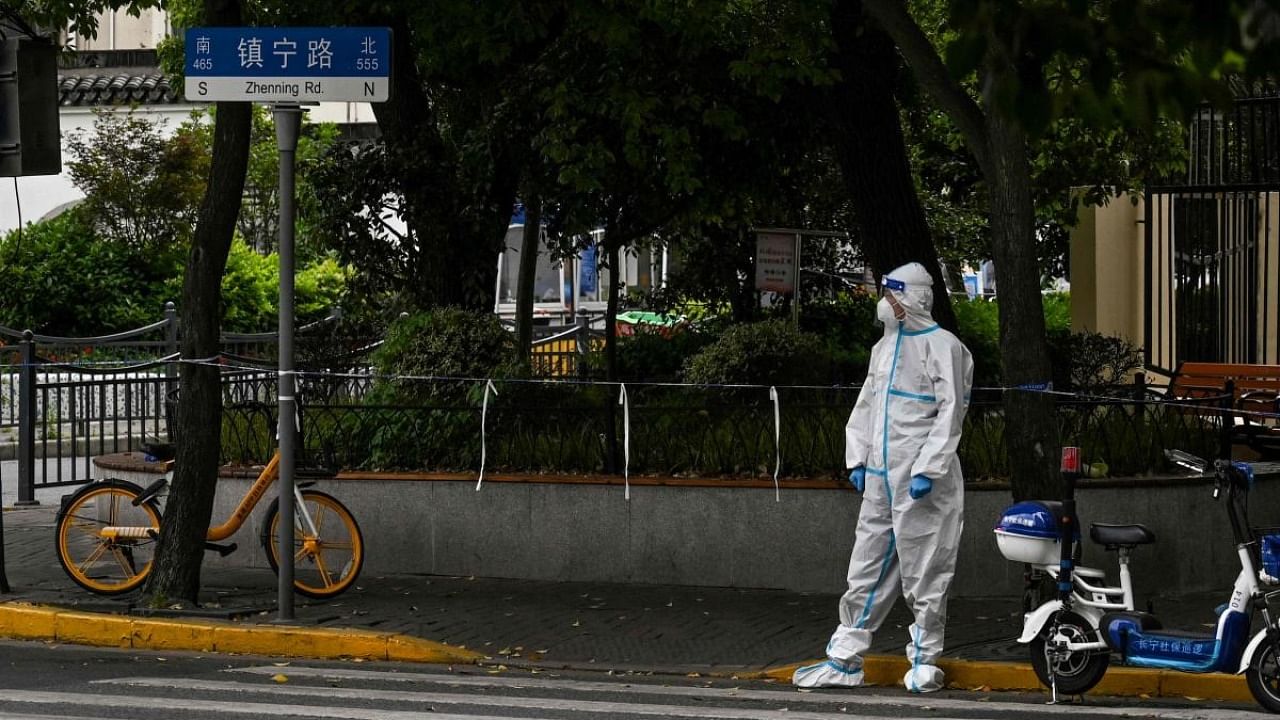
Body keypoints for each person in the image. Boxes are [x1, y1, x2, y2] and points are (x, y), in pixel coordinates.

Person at [793, 261, 974, 693]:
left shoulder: (943, 346)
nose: (885, 304)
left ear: (912, 298)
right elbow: (867, 405)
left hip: (921, 478)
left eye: (892, 296)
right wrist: (857, 458)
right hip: (880, 476)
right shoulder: (885, 348)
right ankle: (844, 659)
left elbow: (951, 412)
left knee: (926, 569)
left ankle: (926, 659)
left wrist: (929, 467)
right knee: (866, 565)